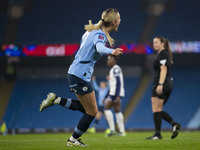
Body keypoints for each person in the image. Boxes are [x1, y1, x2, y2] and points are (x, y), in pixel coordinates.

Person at [39, 8, 123, 147]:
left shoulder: (92, 31)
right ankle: (73, 140)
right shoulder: (100, 35)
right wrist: (111, 51)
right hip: (79, 75)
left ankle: (57, 100)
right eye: (119, 18)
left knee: (87, 109)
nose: (120, 20)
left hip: (76, 73)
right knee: (92, 112)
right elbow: (100, 47)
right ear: (114, 22)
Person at [146, 36, 181, 140]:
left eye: (156, 42)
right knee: (158, 110)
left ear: (162, 44)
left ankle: (158, 134)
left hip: (161, 83)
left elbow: (164, 69)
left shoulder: (163, 54)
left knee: (156, 109)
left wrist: (160, 84)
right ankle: (174, 124)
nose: (154, 44)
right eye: (153, 42)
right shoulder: (163, 54)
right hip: (168, 83)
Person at [103, 55, 126, 136]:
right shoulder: (113, 69)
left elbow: (119, 82)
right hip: (114, 92)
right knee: (117, 111)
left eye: (110, 59)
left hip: (116, 93)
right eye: (107, 59)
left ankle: (112, 129)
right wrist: (105, 96)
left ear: (115, 60)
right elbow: (112, 85)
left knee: (106, 108)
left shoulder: (116, 69)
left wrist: (117, 95)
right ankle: (121, 131)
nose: (108, 61)